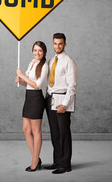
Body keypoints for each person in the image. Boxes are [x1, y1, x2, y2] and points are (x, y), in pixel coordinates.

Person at [44, 33, 77, 174]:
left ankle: (65, 165)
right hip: (50, 98)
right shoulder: (51, 60)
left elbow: (72, 85)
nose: (57, 46)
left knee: (63, 133)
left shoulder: (68, 61)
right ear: (53, 44)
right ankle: (57, 161)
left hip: (62, 99)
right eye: (55, 43)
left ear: (65, 44)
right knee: (55, 133)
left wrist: (65, 104)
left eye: (60, 43)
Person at [16, 41, 49, 172]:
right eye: (35, 50)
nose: (37, 53)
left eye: (40, 51)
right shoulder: (31, 62)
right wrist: (21, 81)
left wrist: (22, 75)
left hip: (36, 99)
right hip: (28, 98)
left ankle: (35, 162)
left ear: (44, 52)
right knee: (26, 129)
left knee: (36, 131)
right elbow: (29, 84)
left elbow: (37, 85)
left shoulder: (44, 66)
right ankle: (36, 158)